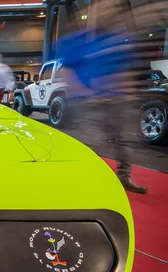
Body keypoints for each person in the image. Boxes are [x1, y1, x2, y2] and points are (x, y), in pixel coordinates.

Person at [56, 0, 151, 194]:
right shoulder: (78, 40)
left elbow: (127, 69)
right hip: (89, 103)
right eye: (106, 7)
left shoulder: (120, 40)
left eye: (114, 9)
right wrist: (85, 93)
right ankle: (83, 178)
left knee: (124, 142)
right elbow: (65, 70)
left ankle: (124, 176)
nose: (110, 12)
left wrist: (129, 93)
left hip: (118, 100)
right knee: (91, 143)